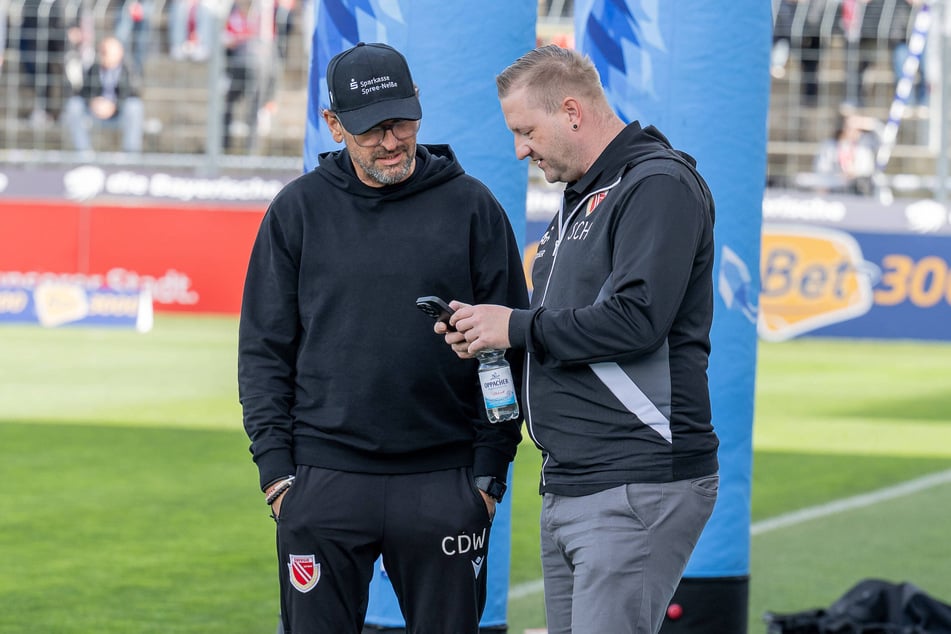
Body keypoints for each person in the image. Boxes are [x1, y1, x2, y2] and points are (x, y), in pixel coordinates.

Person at [237, 41, 528, 634]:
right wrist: (278, 477)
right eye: (372, 129)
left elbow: (509, 349)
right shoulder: (296, 211)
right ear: (334, 125)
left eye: (401, 121)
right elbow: (263, 352)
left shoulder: (473, 208)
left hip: (444, 482)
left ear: (419, 103)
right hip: (322, 483)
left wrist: (488, 474)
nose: (392, 141)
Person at [437, 45, 720, 634]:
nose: (520, 149)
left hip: (635, 478)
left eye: (525, 131)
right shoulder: (578, 200)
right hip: (575, 479)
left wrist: (514, 325)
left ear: (570, 110)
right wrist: (492, 335)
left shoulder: (657, 184)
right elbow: (563, 333)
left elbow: (638, 318)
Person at [62, 35, 144, 153]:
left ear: (119, 53)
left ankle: (130, 154)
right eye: (103, 51)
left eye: (108, 52)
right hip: (95, 114)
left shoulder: (129, 70)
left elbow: (133, 92)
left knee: (135, 106)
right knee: (74, 105)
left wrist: (114, 106)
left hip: (119, 114)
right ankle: (83, 152)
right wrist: (93, 102)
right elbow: (83, 92)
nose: (104, 55)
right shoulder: (93, 69)